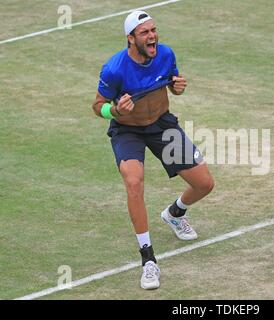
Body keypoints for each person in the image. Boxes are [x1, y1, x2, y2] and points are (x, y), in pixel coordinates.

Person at [91, 10, 214, 290]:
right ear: (130, 38)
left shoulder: (166, 54)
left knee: (204, 184)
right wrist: (114, 110)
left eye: (154, 30)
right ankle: (148, 259)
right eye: (145, 32)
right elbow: (98, 106)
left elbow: (172, 84)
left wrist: (178, 88)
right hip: (128, 131)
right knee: (134, 182)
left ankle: (174, 213)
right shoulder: (114, 69)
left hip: (161, 126)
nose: (152, 36)